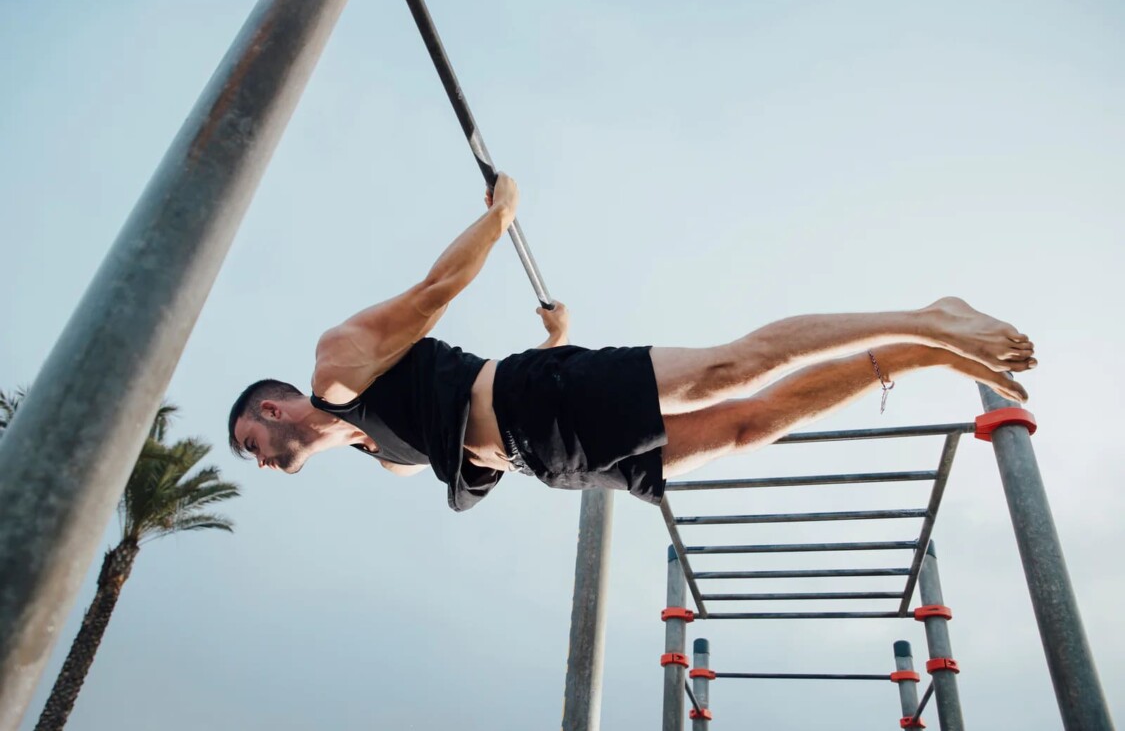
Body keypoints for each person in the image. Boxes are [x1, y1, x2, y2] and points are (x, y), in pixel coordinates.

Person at [228, 174, 1035, 511]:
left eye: (250, 440)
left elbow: (436, 295)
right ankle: (913, 355)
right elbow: (464, 416)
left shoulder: (336, 365)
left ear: (271, 406)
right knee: (749, 425)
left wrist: (498, 217)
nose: (258, 456)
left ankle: (928, 316)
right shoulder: (386, 455)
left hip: (539, 402)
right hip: (555, 458)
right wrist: (561, 337)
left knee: (732, 366)